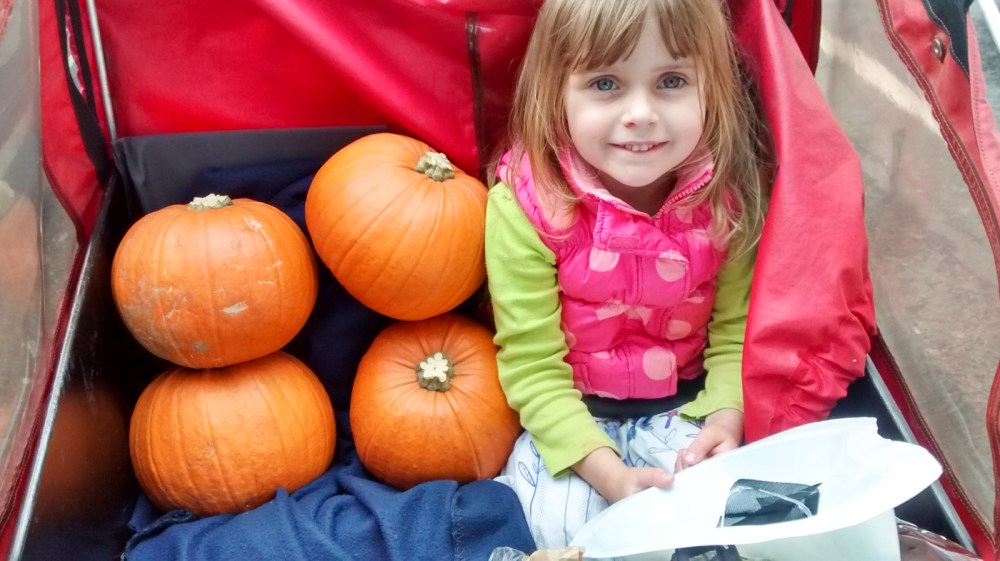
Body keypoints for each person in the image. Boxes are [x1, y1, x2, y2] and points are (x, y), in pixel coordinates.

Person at [484, 0, 771, 549]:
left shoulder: (729, 199)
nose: (640, 112)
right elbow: (532, 368)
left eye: (670, 80)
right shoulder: (527, 207)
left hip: (689, 409)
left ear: (712, 88)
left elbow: (739, 333)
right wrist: (608, 474)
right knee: (566, 534)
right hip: (573, 428)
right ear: (555, 92)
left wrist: (728, 418)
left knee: (734, 519)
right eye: (606, 84)